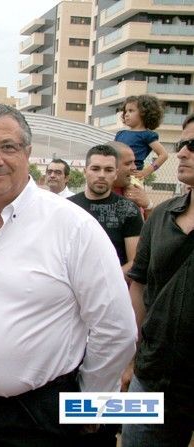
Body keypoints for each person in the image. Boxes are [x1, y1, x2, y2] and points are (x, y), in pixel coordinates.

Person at [0, 104, 136, 446]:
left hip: (40, 416)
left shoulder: (74, 227)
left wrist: (88, 407)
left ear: (27, 152)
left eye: (7, 147)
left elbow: (117, 329)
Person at [122, 114, 194, 446]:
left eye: (192, 145)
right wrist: (130, 359)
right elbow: (139, 287)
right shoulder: (162, 216)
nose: (182, 152)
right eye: (182, 144)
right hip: (152, 377)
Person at [69, 144, 143, 282]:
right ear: (85, 171)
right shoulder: (67, 207)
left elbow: (135, 262)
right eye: (95, 169)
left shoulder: (128, 210)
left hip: (112, 288)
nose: (101, 175)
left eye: (108, 170)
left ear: (116, 173)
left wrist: (103, 283)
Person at [114, 94, 168, 179]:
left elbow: (163, 155)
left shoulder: (147, 135)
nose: (126, 114)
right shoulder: (120, 134)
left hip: (133, 177)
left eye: (131, 111)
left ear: (144, 113)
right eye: (126, 111)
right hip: (116, 175)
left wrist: (146, 171)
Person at [110, 141, 154, 218]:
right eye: (128, 163)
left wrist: (148, 206)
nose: (134, 167)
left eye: (134, 162)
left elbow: (150, 225)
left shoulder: (134, 191)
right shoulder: (96, 195)